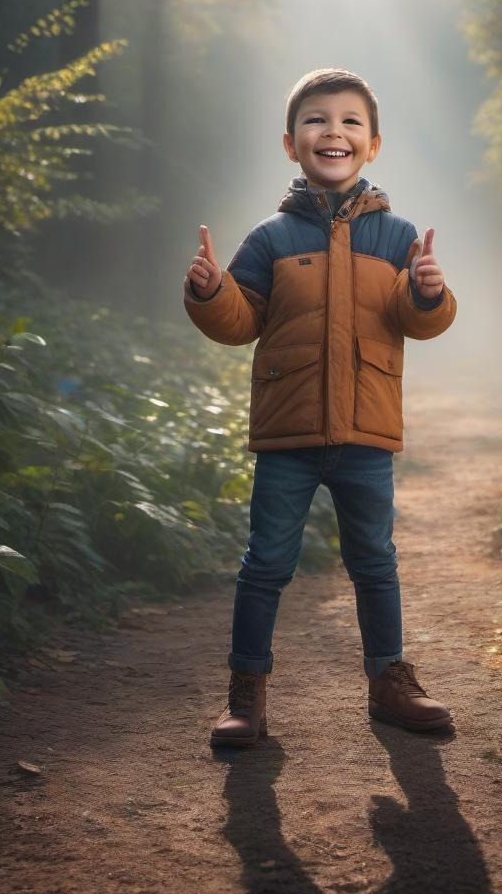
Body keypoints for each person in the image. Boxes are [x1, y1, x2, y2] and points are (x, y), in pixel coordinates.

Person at [182, 67, 458, 749]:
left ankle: (390, 681)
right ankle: (247, 693)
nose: (332, 131)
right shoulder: (271, 238)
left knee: (375, 562)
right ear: (290, 144)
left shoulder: (397, 239)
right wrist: (213, 291)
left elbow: (418, 321)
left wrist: (427, 291)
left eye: (349, 122)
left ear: (372, 144)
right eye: (315, 120)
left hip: (366, 433)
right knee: (266, 564)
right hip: (289, 435)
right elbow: (240, 321)